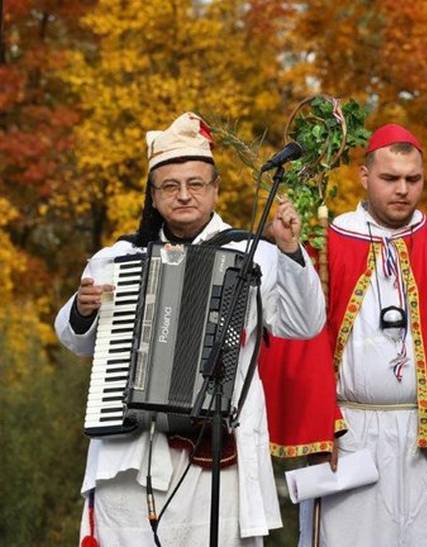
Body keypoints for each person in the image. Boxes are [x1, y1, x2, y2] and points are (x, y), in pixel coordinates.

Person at [54, 112, 325, 546]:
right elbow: (74, 339)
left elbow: (306, 320)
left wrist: (290, 249)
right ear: (154, 195)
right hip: (129, 460)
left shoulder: (253, 254)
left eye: (195, 184)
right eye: (170, 186)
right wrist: (83, 311)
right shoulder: (117, 258)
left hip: (215, 461)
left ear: (215, 189)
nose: (184, 195)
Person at [276, 123, 427, 546]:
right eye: (390, 178)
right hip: (349, 435)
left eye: (412, 179)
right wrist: (317, 428)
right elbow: (298, 344)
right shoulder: (325, 241)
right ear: (365, 178)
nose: (402, 189)